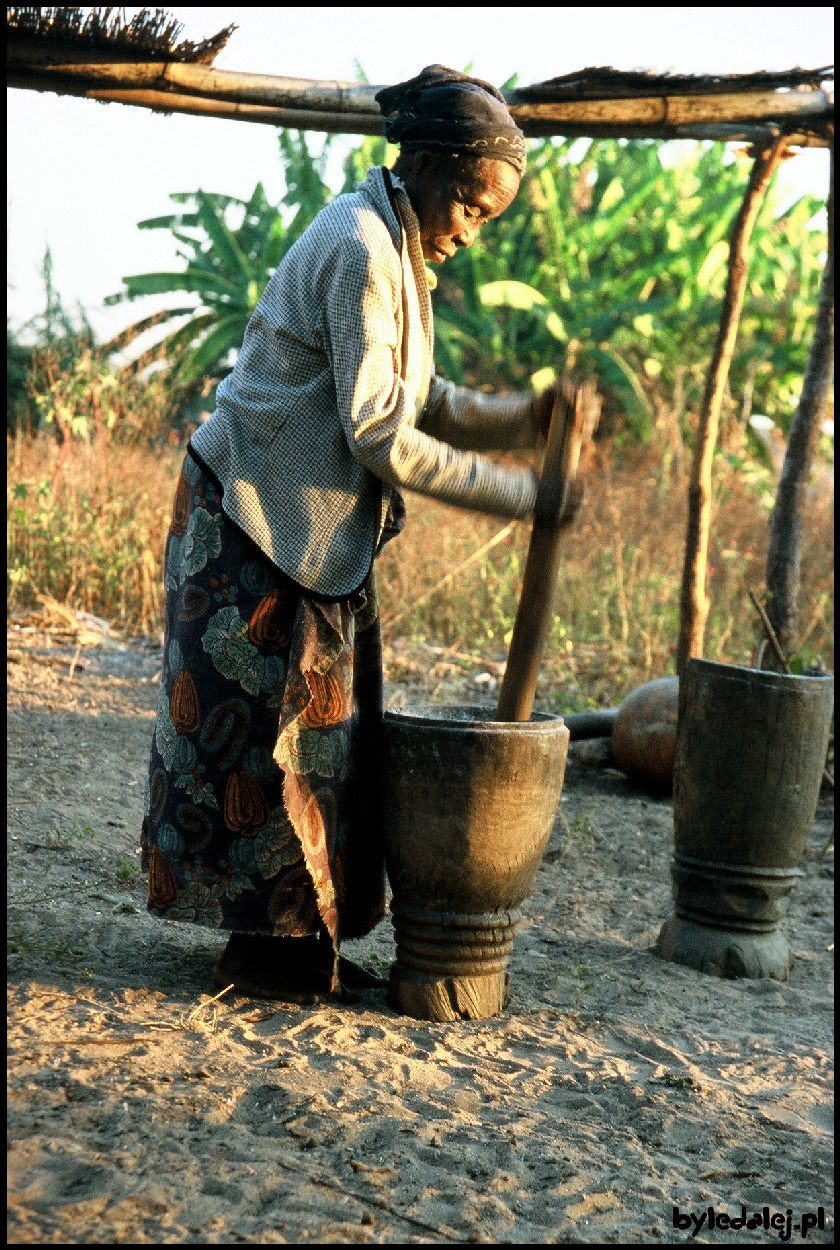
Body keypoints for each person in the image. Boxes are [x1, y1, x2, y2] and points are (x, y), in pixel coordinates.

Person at [141, 64, 566, 1004]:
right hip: (251, 516)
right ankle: (264, 951)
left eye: (486, 215)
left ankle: (292, 942)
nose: (469, 227)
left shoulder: (399, 249)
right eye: (467, 203)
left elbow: (427, 399)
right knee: (257, 737)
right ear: (420, 163)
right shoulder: (364, 246)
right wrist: (518, 495)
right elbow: (380, 432)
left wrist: (523, 418)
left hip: (297, 520)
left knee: (320, 732)